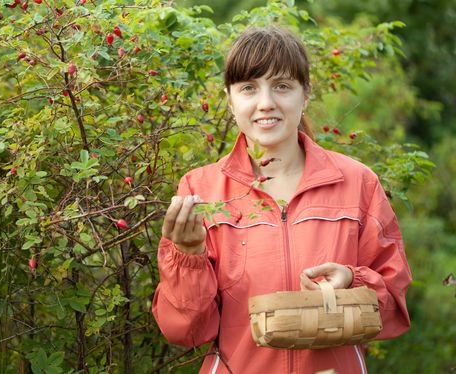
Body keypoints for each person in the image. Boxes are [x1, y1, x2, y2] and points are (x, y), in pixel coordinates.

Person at [152, 26, 411, 374]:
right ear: (230, 101)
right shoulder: (201, 190)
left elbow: (394, 307)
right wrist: (189, 257)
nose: (266, 103)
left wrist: (352, 281)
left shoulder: (358, 183)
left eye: (282, 86)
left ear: (305, 95)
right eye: (248, 88)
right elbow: (186, 331)